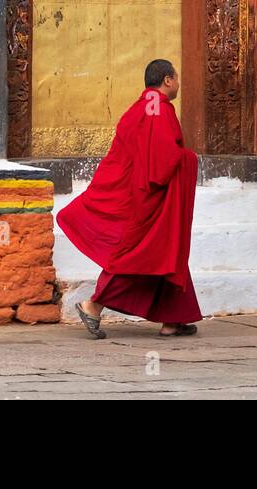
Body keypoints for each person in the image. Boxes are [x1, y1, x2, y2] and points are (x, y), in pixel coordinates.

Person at [56, 59, 203, 338]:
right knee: (139, 258)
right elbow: (163, 164)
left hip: (137, 196)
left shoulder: (137, 110)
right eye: (177, 78)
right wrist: (189, 159)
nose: (179, 84)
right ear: (168, 80)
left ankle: (172, 320)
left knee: (169, 253)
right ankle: (92, 306)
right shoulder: (159, 109)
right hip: (150, 200)